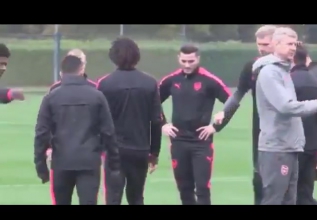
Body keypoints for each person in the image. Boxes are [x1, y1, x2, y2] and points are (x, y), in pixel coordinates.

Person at [34, 55, 120, 205]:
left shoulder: (51, 97)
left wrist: (41, 166)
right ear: (81, 70)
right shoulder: (97, 96)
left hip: (61, 160)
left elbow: (41, 133)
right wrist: (113, 163)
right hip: (89, 160)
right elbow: (108, 132)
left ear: (61, 73)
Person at [253, 27, 317, 205]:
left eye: (294, 44)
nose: (293, 48)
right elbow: (286, 106)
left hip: (290, 146)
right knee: (275, 199)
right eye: (289, 44)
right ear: (276, 44)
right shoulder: (270, 72)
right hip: (277, 148)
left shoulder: (284, 72)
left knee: (290, 200)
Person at [159, 44, 231, 205]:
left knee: (202, 188)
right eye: (183, 60)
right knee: (184, 188)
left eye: (191, 61)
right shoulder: (171, 80)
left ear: (198, 59)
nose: (187, 65)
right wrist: (162, 124)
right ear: (178, 58)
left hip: (201, 142)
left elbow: (232, 102)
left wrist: (216, 126)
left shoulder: (210, 80)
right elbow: (152, 102)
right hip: (178, 141)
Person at [213, 25, 277, 205]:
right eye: (259, 44)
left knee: (286, 180)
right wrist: (223, 114)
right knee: (259, 177)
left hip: (288, 129)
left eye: (266, 43)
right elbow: (238, 93)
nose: (262, 48)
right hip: (260, 127)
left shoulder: (290, 66)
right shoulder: (252, 67)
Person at [97, 37, 162, 205]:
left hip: (114, 150)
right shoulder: (150, 83)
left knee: (113, 196)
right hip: (140, 149)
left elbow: (99, 120)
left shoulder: (105, 84)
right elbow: (156, 121)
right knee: (136, 197)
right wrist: (154, 153)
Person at [290, 44, 317, 205]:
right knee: (306, 193)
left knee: (288, 192)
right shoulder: (316, 81)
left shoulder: (287, 82)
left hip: (291, 145)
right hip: (313, 144)